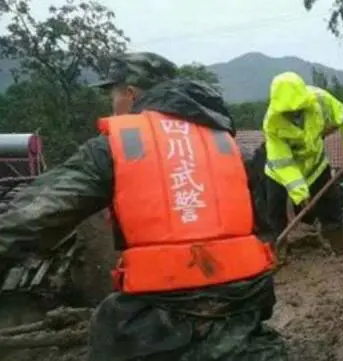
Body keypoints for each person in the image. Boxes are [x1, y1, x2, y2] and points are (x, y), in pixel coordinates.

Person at [0, 52, 287, 361]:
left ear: (131, 94)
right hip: (244, 305)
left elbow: (31, 218)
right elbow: (262, 221)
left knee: (109, 325)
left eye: (113, 95)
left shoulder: (118, 145)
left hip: (158, 319)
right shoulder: (224, 143)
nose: (112, 105)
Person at [262, 71, 343, 255]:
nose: (294, 113)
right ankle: (278, 253)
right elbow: (283, 162)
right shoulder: (272, 122)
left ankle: (342, 248)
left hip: (316, 165)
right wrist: (300, 193)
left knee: (331, 207)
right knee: (275, 211)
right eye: (288, 111)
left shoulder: (320, 99)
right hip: (280, 172)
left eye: (298, 109)